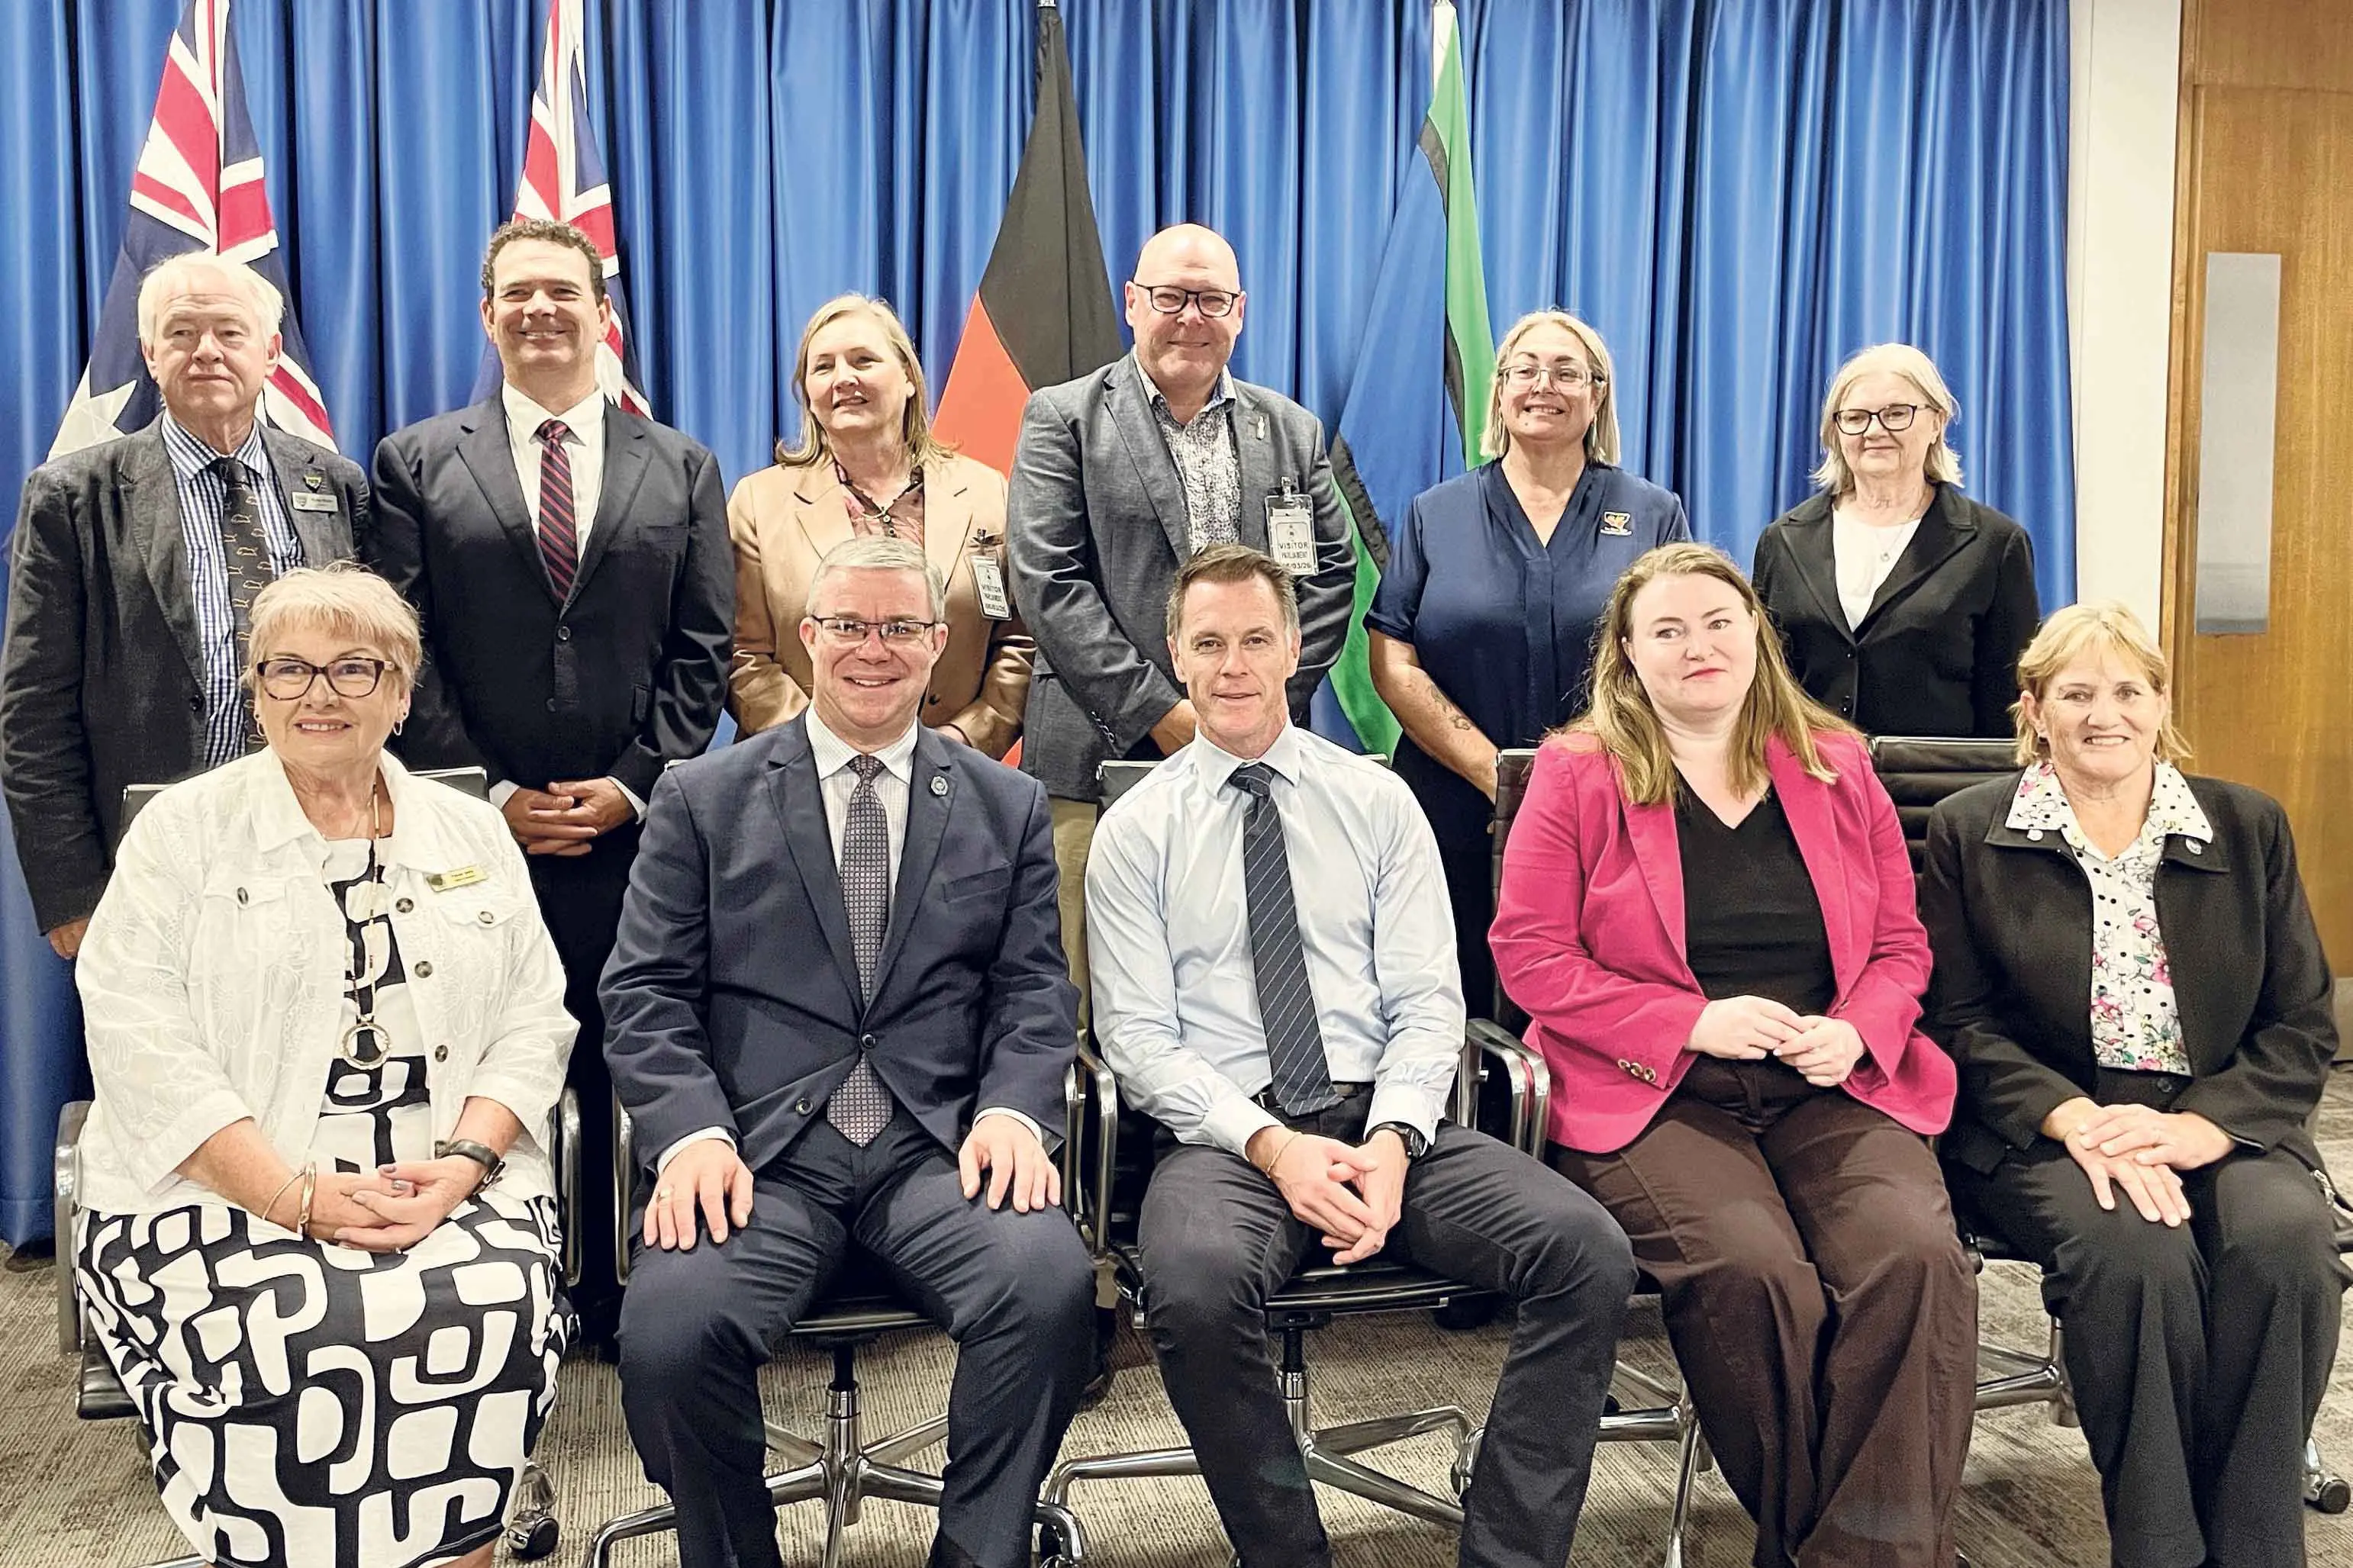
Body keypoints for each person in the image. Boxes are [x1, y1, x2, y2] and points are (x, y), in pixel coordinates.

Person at [1087, 543, 1636, 1568]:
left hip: (1393, 1121)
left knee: (1585, 1250)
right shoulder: (1136, 827)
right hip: (1228, 1137)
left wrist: (1389, 1136)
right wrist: (1270, 1146)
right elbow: (1136, 1037)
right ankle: (1288, 1548)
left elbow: (1431, 998)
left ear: (1295, 646)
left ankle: (1509, 1550)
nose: (1234, 663)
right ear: (1175, 654)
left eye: (1256, 637)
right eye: (1208, 642)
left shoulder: (1379, 801)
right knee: (1194, 1286)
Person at [601, 534, 1091, 1568]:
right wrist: (688, 1131)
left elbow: (1033, 989)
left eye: (900, 627)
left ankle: (979, 1547)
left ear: (937, 642)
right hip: (758, 1156)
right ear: (806, 637)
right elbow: (643, 992)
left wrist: (1011, 1109)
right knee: (669, 1334)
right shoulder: (702, 796)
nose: (875, 649)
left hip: (936, 1152)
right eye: (851, 626)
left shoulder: (1002, 802)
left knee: (1047, 1287)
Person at [71, 564, 575, 1568]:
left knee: (477, 1307)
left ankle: (458, 1550)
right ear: (253, 691)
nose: (319, 692)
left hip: (444, 1179)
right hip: (220, 1185)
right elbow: (138, 1036)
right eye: (289, 669)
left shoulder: (470, 829)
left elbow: (533, 1017)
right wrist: (293, 1194)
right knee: (294, 1330)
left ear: (400, 689)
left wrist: (467, 1162)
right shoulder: (184, 833)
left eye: (354, 667)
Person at [1492, 542, 1974, 1568]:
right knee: (1755, 1274)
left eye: (1716, 621)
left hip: (1826, 1077)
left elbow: (1900, 943)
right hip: (1653, 1090)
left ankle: (1847, 1553)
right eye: (1664, 630)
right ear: (1624, 654)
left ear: (1755, 632)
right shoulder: (1576, 772)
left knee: (1914, 1258)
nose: (1695, 645)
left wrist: (1856, 1027)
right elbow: (1527, 955)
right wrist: (1685, 1020)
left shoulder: (1837, 764)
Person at [367, 217, 733, 1349]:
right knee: (490, 1055)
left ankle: (630, 1288)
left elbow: (703, 648)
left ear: (599, 314)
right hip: (468, 834)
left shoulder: (679, 464)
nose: (539, 311)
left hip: (635, 833)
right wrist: (486, 792)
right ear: (488, 314)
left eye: (561, 293)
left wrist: (630, 784)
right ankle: (513, 1289)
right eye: (516, 294)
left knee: (634, 1049)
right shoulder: (416, 462)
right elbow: (398, 643)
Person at [1921, 601, 2344, 1568]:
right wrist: (2071, 1117)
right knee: (2134, 1259)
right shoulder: (1967, 830)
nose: (2099, 713)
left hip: (2218, 1111)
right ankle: (2158, 1547)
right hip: (2044, 1121)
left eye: (2125, 691)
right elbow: (1952, 1021)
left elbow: (2300, 1019)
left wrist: (2206, 1127)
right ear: (2033, 710)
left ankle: (2252, 1545)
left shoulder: (2245, 824)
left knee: (2286, 1247)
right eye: (2073, 693)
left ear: (2159, 703)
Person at [1007, 222, 1354, 1022]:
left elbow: (1331, 576)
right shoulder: (1062, 419)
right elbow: (1047, 583)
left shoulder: (1290, 430)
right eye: (1170, 297)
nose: (1190, 317)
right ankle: (1098, 1152)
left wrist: (1253, 699)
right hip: (1096, 763)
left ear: (1240, 313)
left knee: (1232, 992)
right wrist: (1161, 715)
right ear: (1132, 303)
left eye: (1210, 300)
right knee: (1087, 998)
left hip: (1253, 761)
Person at [2, 253, 364, 959]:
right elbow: (34, 714)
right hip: (148, 863)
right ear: (148, 354)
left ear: (270, 351)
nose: (206, 351)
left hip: (319, 847)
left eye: (229, 332)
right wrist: (73, 894)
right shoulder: (73, 496)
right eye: (181, 333)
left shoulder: (338, 485)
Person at [1368, 309, 1689, 1013]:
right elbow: (1393, 657)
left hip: (1611, 802)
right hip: (1452, 803)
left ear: (1597, 393)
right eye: (1525, 370)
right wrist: (1498, 774)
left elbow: (1678, 653)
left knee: (1597, 996)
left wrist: (1571, 779)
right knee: (1446, 994)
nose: (1544, 385)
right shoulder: (1434, 512)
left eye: (1567, 371)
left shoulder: (1652, 513)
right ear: (1499, 391)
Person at [727, 294, 1032, 755]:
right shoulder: (757, 502)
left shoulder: (989, 494)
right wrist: (820, 748)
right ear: (808, 394)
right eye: (823, 367)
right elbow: (742, 656)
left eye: (863, 360)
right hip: (798, 773)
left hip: (953, 772)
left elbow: (1020, 643)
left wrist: (965, 739)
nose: (844, 379)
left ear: (909, 378)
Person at [1752, 343, 2039, 736]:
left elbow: (2007, 703)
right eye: (1855, 418)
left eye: (1896, 414)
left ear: (1937, 422)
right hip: (1811, 779)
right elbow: (1762, 683)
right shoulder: (1783, 542)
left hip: (1938, 788)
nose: (1874, 431)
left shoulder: (1995, 545)